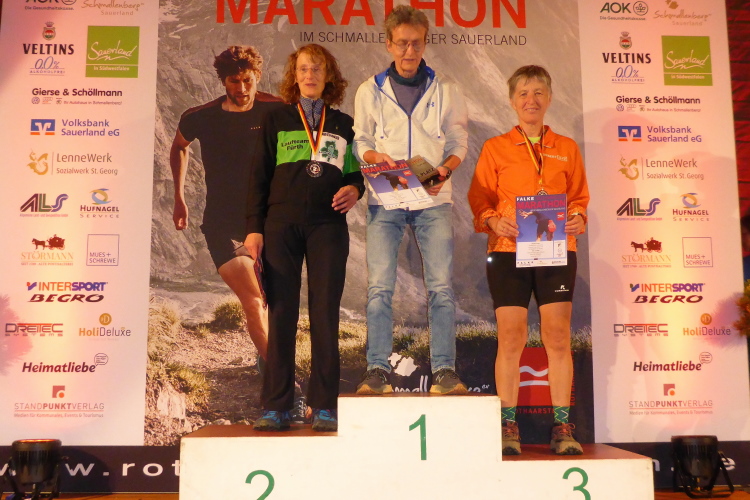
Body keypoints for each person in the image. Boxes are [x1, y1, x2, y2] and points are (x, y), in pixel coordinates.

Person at [467, 65, 590, 455]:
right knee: (511, 337)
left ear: (549, 99)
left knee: (557, 336)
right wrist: (492, 220)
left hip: (556, 250)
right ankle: (508, 427)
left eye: (538, 92)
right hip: (508, 251)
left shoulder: (566, 147)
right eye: (523, 93)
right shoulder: (496, 147)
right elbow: (479, 197)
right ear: (512, 101)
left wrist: (579, 216)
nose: (531, 100)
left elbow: (580, 198)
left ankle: (562, 427)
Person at [246, 44, 364, 432]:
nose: (310, 75)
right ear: (294, 76)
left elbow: (354, 172)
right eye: (303, 69)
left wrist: (355, 189)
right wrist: (254, 228)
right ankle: (277, 406)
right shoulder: (276, 118)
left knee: (325, 314)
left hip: (328, 226)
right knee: (282, 313)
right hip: (281, 225)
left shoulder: (344, 124)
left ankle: (323, 406)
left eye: (317, 69)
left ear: (329, 76)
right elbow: (259, 175)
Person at [353, 5, 469, 395]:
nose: (409, 51)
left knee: (440, 288)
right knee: (379, 288)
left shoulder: (447, 89)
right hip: (385, 196)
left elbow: (458, 141)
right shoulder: (369, 90)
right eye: (401, 43)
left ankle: (444, 372)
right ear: (388, 44)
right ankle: (376, 371)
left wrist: (445, 171)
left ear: (425, 43)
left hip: (433, 199)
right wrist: (375, 157)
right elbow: (360, 141)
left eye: (416, 43)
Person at [170, 45, 280, 383]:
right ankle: (283, 384)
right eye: (234, 81)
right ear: (223, 81)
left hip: (267, 222)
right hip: (222, 224)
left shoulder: (279, 109)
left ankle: (267, 357)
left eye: (248, 80)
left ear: (257, 76)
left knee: (272, 299)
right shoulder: (200, 116)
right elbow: (179, 147)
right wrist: (179, 197)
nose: (242, 89)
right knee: (254, 299)